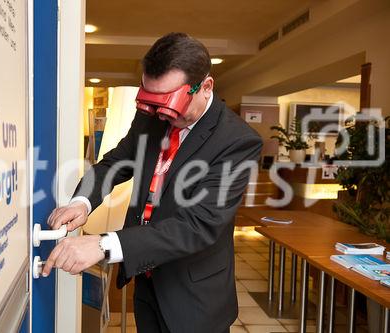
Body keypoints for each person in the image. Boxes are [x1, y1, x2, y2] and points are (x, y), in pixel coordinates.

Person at [43, 32, 263, 333]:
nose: (162, 116)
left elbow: (197, 225)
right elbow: (117, 161)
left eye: (170, 105)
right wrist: (82, 201)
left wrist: (104, 245)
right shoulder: (153, 117)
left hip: (194, 297)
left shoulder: (237, 142)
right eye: (154, 103)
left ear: (205, 86)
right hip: (146, 281)